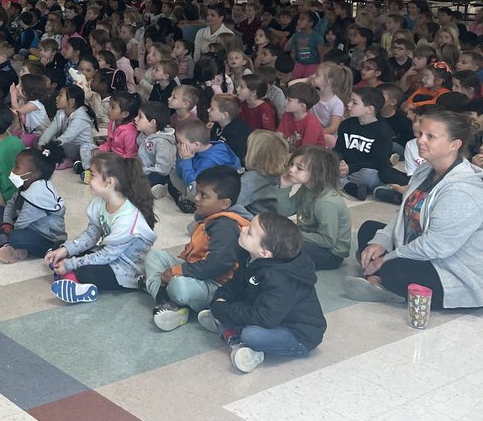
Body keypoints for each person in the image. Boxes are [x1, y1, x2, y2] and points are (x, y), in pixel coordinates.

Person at [348, 111, 483, 309]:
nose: (420, 140)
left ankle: (380, 278)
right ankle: (379, 276)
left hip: (452, 267)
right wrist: (381, 241)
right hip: (418, 244)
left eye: (430, 136)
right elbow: (404, 212)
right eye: (420, 134)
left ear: (455, 145)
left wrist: (386, 258)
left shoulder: (463, 191)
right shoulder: (426, 169)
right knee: (370, 230)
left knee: (396, 269)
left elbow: (435, 247)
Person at [198, 212, 326, 373]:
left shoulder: (282, 280)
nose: (243, 228)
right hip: (265, 311)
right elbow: (236, 284)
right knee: (215, 296)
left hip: (297, 335)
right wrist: (222, 300)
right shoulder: (251, 255)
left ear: (265, 253)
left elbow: (264, 318)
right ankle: (229, 328)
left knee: (252, 335)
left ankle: (234, 339)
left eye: (250, 232)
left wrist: (223, 310)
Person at [146, 166, 251, 331]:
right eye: (197, 192)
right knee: (154, 257)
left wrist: (177, 271)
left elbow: (218, 265)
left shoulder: (225, 226)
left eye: (204, 196)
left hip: (216, 284)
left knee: (179, 286)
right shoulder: (210, 216)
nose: (196, 198)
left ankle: (168, 300)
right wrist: (180, 267)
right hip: (196, 268)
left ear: (225, 203)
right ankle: (166, 302)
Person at [45, 153, 158, 304]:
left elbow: (107, 256)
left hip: (128, 270)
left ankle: (80, 287)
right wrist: (66, 250)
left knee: (86, 272)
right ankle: (71, 277)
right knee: (60, 249)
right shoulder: (100, 202)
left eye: (92, 175)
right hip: (109, 254)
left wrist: (70, 264)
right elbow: (91, 235)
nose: (88, 178)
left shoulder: (128, 218)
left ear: (109, 182)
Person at [277, 145, 351, 270]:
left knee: (284, 245)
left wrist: (294, 233)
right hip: (312, 239)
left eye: (299, 168)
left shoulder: (326, 202)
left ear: (317, 173)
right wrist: (284, 187)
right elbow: (285, 211)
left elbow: (328, 240)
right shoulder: (307, 189)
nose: (291, 169)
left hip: (331, 254)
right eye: (291, 164)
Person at [0, 145, 67, 263]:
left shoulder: (38, 195)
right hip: (29, 227)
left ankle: (5, 242)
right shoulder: (26, 185)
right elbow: (11, 204)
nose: (13, 170)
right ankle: (6, 242)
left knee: (16, 237)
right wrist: (7, 223)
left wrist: (11, 229)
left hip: (47, 239)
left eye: (17, 167)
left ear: (33, 174)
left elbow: (21, 223)